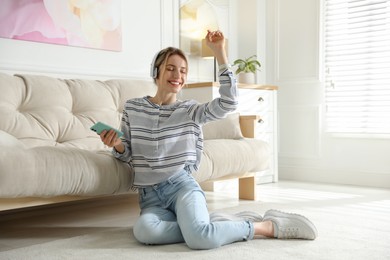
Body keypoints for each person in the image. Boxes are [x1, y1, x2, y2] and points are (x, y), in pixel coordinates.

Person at [99, 30, 318, 250]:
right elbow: (127, 152)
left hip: (181, 187)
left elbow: (228, 103)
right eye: (171, 68)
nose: (178, 75)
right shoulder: (133, 108)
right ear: (156, 72)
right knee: (145, 231)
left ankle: (266, 226)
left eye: (183, 71)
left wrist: (220, 53)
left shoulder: (189, 110)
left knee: (200, 238)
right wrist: (115, 144)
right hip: (150, 197)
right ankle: (205, 223)